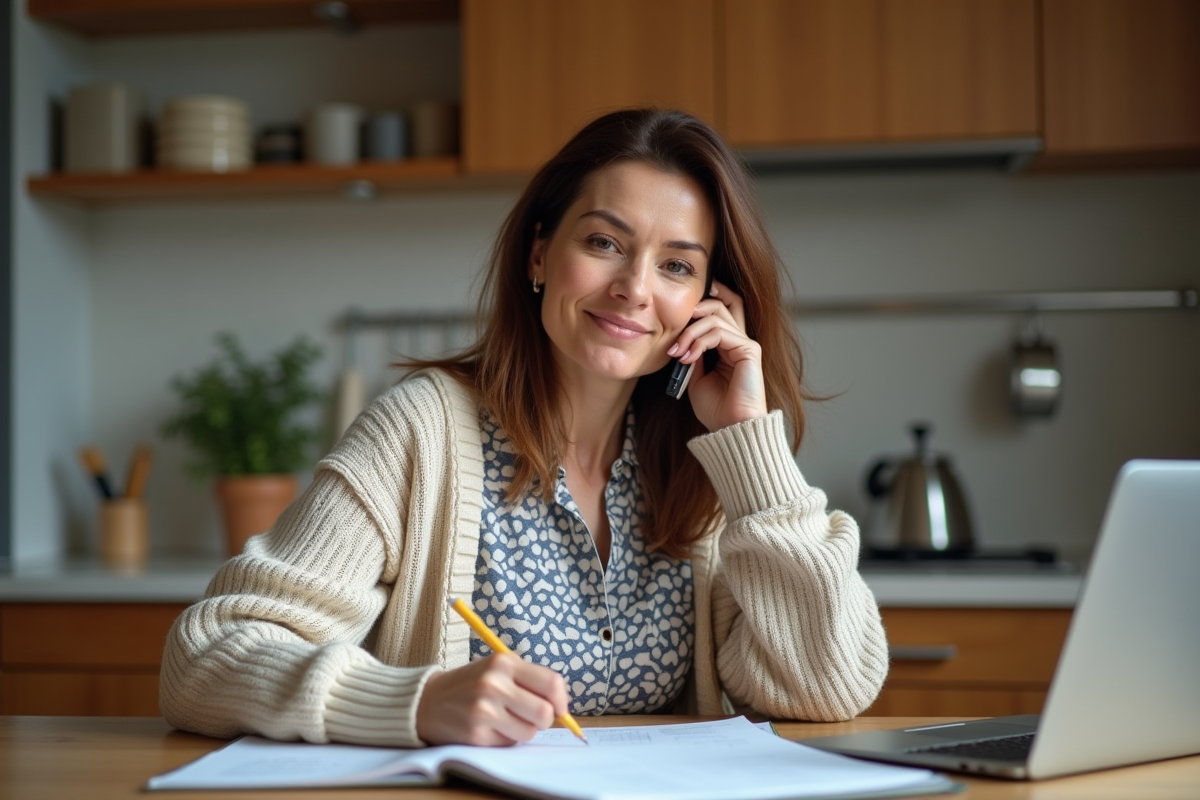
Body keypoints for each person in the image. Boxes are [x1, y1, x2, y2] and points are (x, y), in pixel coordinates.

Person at [160, 108, 888, 748]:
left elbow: (826, 689)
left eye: (675, 266)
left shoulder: (712, 469)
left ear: (706, 301)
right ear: (541, 253)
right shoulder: (423, 430)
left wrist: (748, 443)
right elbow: (207, 658)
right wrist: (412, 703)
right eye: (604, 243)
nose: (635, 288)